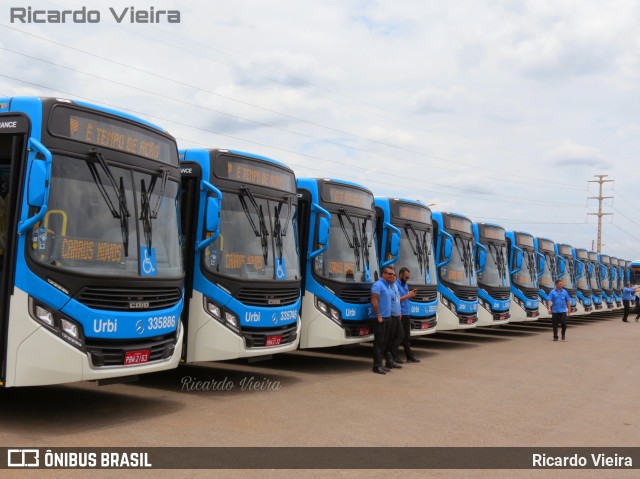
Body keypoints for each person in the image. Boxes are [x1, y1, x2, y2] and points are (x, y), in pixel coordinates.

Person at [370, 266, 397, 374]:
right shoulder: (378, 285)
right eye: (390, 274)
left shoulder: (388, 286)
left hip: (388, 317)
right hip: (379, 319)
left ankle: (381, 364)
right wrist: (378, 316)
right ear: (384, 274)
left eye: (393, 274)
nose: (392, 276)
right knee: (379, 343)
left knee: (385, 342)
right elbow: (374, 301)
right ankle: (376, 366)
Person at [395, 267, 420, 363]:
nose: (407, 279)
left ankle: (410, 356)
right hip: (399, 313)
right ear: (400, 275)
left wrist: (411, 295)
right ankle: (395, 356)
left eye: (408, 277)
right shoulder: (396, 285)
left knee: (407, 337)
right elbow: (396, 300)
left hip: (406, 313)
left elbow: (406, 299)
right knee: (398, 336)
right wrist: (408, 295)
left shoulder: (405, 285)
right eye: (406, 277)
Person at [385, 274, 403, 370]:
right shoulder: (386, 287)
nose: (393, 277)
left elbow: (397, 300)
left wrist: (399, 311)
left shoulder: (395, 286)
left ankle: (392, 355)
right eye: (391, 275)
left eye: (394, 276)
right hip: (390, 316)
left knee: (400, 335)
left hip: (397, 315)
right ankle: (390, 360)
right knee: (390, 339)